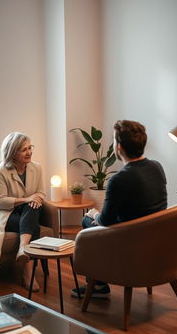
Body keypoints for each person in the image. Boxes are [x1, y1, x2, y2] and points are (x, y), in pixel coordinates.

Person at [71, 120, 167, 299]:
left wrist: (94, 214)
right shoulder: (157, 167)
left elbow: (105, 221)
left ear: (119, 147)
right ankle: (99, 283)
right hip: (156, 243)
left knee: (87, 220)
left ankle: (98, 285)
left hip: (129, 246)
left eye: (114, 140)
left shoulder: (119, 179)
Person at [0, 132, 45, 291]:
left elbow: (41, 193)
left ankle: (23, 248)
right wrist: (27, 199)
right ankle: (28, 274)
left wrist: (34, 199)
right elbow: (0, 201)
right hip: (1, 213)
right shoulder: (1, 170)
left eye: (30, 148)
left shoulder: (36, 168)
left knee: (33, 208)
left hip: (25, 211)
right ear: (13, 152)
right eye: (24, 149)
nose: (29, 152)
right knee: (33, 226)